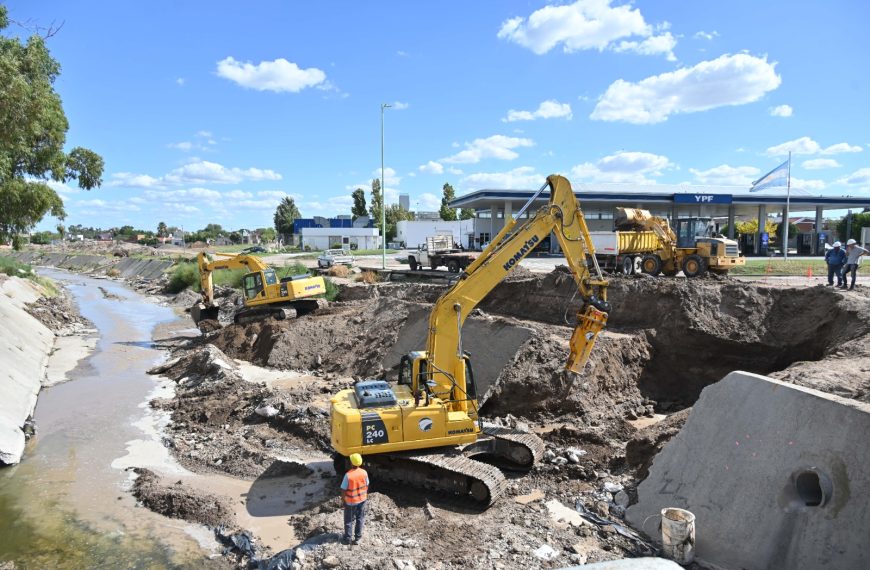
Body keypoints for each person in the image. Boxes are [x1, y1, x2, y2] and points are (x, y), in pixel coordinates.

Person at [340, 453, 369, 545]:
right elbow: (367, 484)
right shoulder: (364, 472)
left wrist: (344, 500)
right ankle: (357, 538)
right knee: (360, 518)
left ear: (351, 463)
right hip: (362, 500)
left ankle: (347, 539)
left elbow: (343, 489)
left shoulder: (348, 475)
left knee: (349, 520)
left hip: (351, 502)